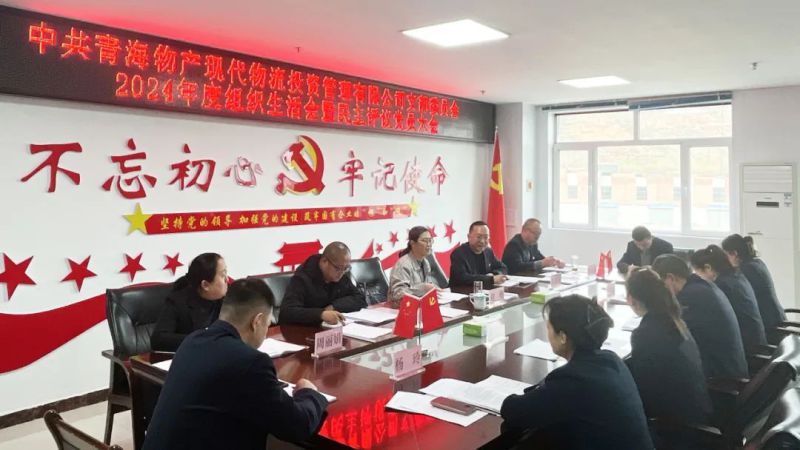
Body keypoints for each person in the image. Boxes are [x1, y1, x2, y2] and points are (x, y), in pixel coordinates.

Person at [142, 278, 328, 450]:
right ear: (257, 321)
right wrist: (310, 393)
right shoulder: (251, 362)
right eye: (268, 323)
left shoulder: (192, 340)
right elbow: (297, 426)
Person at [500, 295, 653, 449]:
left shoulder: (572, 380)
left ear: (563, 337)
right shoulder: (611, 359)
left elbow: (512, 410)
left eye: (548, 328)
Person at [625, 268, 712, 425]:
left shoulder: (645, 334)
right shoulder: (674, 320)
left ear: (630, 299)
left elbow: (644, 391)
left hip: (672, 426)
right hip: (695, 413)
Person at [652, 254, 748, 379]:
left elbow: (670, 336)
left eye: (660, 285)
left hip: (723, 380)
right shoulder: (701, 286)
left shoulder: (690, 297)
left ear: (670, 278)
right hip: (730, 367)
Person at [691, 245, 767, 352]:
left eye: (697, 272)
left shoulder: (722, 286)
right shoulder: (736, 276)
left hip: (749, 349)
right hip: (757, 343)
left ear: (708, 268)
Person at [151, 253, 227, 352]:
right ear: (205, 285)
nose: (227, 279)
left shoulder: (227, 299)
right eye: (222, 275)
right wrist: (201, 339)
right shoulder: (178, 301)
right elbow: (158, 340)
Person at [280, 242, 366, 325]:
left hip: (328, 328)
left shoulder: (341, 273)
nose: (341, 273)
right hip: (301, 329)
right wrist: (321, 314)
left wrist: (334, 306)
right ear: (324, 261)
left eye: (345, 268)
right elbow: (288, 312)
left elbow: (360, 299)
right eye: (338, 268)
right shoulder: (302, 278)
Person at [722, 234, 786, 332]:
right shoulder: (757, 263)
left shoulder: (746, 270)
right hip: (777, 318)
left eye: (725, 255)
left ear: (734, 254)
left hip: (769, 325)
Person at [388, 226, 444, 307]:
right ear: (412, 243)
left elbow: (425, 289)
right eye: (424, 241)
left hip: (418, 306)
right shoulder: (403, 265)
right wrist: (423, 288)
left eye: (430, 240)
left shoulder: (425, 262)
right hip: (398, 309)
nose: (429, 244)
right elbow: (398, 294)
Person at [450, 221, 508, 288]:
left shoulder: (488, 251)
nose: (482, 241)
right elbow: (462, 278)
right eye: (479, 237)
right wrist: (490, 279)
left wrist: (495, 274)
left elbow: (503, 267)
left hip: (483, 291)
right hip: (461, 291)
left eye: (486, 237)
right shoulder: (458, 254)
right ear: (469, 237)